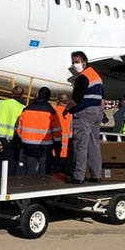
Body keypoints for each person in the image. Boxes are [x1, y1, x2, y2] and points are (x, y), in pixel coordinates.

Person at [65, 51, 103, 184]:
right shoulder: (95, 75)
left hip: (85, 113)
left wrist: (67, 109)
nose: (74, 64)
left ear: (84, 62)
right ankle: (96, 175)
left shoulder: (82, 77)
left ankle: (78, 176)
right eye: (73, 62)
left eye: (76, 61)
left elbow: (76, 99)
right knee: (94, 144)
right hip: (97, 111)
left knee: (80, 145)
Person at [16, 87, 61, 176]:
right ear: (48, 97)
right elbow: (57, 133)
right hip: (45, 147)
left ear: (38, 95)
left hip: (27, 146)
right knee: (43, 173)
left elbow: (18, 128)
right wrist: (58, 149)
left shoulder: (26, 109)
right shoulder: (51, 112)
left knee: (29, 172)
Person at [0, 86, 26, 176]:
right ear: (22, 95)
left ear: (11, 93)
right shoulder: (23, 108)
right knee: (10, 167)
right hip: (13, 141)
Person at [51, 93, 72, 174]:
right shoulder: (71, 113)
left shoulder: (53, 112)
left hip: (55, 151)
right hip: (68, 151)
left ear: (58, 101)